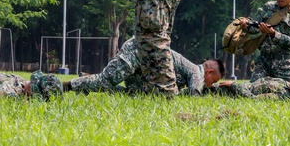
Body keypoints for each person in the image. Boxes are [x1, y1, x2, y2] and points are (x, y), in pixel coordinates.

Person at [66, 37, 223, 95]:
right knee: (104, 82)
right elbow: (194, 93)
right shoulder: (196, 71)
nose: (211, 85)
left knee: (134, 95)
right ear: (208, 72)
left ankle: (86, 82)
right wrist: (214, 92)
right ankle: (67, 86)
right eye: (213, 82)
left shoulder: (190, 70)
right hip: (138, 51)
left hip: (144, 68)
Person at [212, 70, 290, 100]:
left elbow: (253, 99)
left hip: (232, 92)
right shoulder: (286, 85)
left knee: (206, 89)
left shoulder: (282, 95)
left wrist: (234, 85)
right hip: (244, 86)